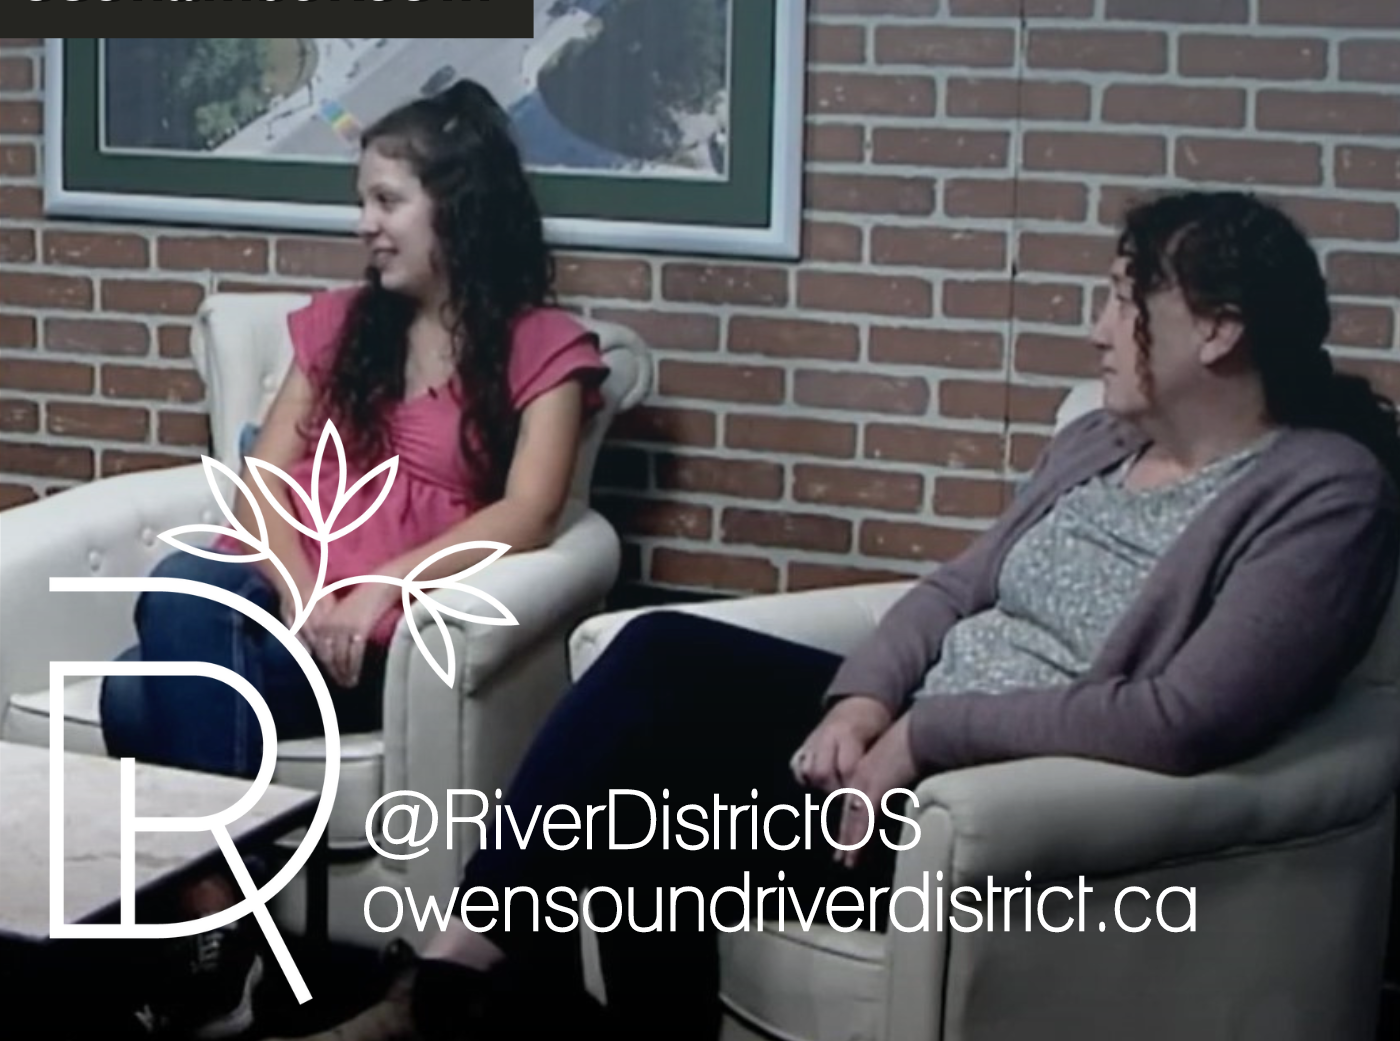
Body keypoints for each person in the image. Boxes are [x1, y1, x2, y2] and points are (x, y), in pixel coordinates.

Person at [283, 190, 1400, 1041]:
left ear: (1216, 331)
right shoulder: (1102, 442)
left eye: (1121, 296)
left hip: (990, 795)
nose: (1098, 327)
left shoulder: (1320, 490)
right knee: (658, 661)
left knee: (650, 795)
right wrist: (865, 696)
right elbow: (956, 588)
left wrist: (919, 736)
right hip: (909, 735)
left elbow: (1181, 713)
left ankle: (460, 969)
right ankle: (477, 953)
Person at [100, 81, 609, 1038]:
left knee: (137, 691)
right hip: (281, 614)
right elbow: (262, 482)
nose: (365, 225)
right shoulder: (338, 322)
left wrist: (379, 584)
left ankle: (209, 933)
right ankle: (228, 924)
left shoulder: (546, 346)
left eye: (387, 202)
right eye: (361, 201)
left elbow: (533, 511)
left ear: (455, 210)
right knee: (179, 593)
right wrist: (300, 592)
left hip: (387, 646)